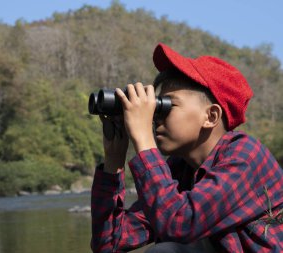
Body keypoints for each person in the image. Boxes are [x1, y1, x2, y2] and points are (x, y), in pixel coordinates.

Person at [90, 43, 283, 253]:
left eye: (167, 105)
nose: (155, 118)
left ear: (210, 117)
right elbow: (110, 243)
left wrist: (143, 138)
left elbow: (179, 224)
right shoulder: (180, 169)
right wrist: (113, 161)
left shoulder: (245, 155)